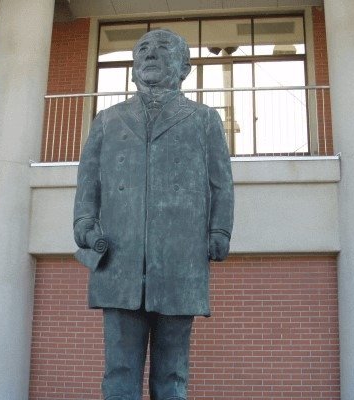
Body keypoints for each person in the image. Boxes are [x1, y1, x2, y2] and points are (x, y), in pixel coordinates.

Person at [73, 29, 234, 400]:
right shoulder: (108, 120)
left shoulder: (203, 119)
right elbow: (88, 181)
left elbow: (221, 183)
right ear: (132, 67)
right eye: (143, 49)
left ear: (184, 67)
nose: (150, 54)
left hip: (180, 264)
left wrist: (220, 230)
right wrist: (84, 223)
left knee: (172, 373)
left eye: (163, 49)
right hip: (119, 259)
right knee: (119, 371)